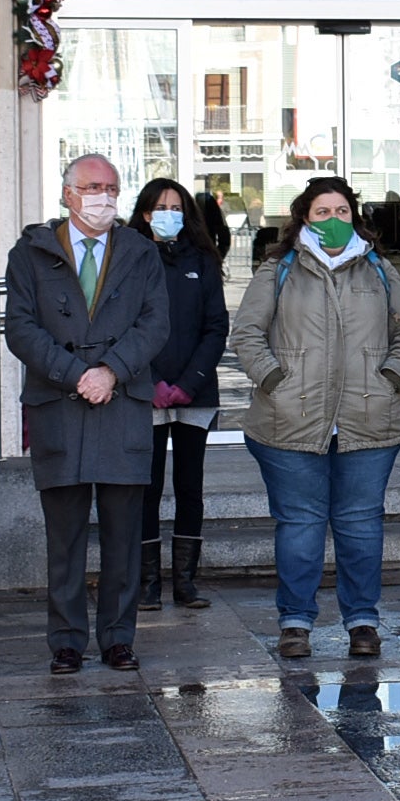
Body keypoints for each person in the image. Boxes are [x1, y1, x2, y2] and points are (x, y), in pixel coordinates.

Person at [231, 176, 400, 661]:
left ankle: (362, 621)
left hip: (369, 418)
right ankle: (295, 622)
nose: (333, 221)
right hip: (290, 421)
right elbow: (248, 333)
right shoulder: (279, 268)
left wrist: (393, 379)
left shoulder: (377, 269)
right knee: (300, 525)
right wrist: (275, 381)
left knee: (361, 525)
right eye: (323, 212)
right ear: (304, 217)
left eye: (341, 212)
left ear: (353, 217)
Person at [5, 154, 170, 675]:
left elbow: (155, 323)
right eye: (93, 187)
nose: (104, 197)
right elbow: (21, 328)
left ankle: (119, 638)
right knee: (65, 536)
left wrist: (110, 371)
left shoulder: (140, 252)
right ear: (67, 193)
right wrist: (76, 373)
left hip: (121, 406)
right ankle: (67, 641)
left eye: (112, 189)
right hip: (60, 405)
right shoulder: (31, 252)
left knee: (124, 534)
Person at [132, 178, 228, 611]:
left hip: (194, 392)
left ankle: (186, 582)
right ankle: (147, 583)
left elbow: (215, 326)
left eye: (176, 206)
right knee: (145, 488)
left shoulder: (203, 260)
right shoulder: (129, 257)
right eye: (159, 207)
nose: (168, 214)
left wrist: (188, 383)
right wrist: (148, 381)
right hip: (143, 392)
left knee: (190, 488)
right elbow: (123, 327)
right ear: (145, 213)